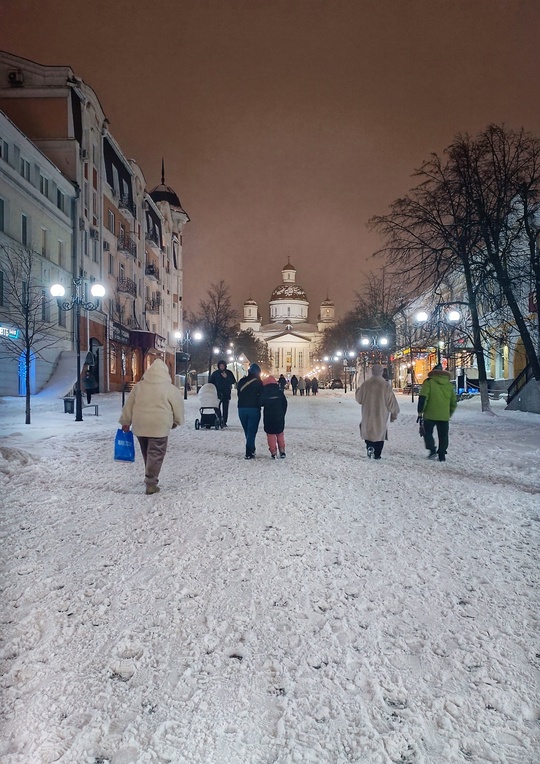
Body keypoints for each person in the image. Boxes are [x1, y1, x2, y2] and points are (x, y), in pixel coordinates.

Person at [119, 358, 184, 494]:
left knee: (147, 453)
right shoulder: (169, 388)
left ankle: (149, 476)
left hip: (140, 426)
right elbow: (178, 406)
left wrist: (125, 421)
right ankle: (151, 483)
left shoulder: (139, 386)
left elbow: (129, 405)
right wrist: (178, 420)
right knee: (156, 454)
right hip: (159, 426)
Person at [355, 363, 400, 460]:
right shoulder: (385, 385)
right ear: (382, 372)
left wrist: (358, 391)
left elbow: (359, 399)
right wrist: (394, 412)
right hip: (381, 414)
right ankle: (377, 454)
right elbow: (391, 401)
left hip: (368, 413)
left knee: (368, 430)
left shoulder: (366, 384)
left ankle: (369, 446)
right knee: (379, 433)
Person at [417, 363, 457, 462]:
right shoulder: (449, 385)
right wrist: (449, 413)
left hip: (429, 415)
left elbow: (423, 398)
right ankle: (442, 454)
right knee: (443, 435)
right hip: (444, 416)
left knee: (427, 433)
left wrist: (420, 412)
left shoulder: (429, 382)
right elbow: (453, 402)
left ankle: (432, 450)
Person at [237, 363, 263, 459]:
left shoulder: (242, 381)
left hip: (241, 408)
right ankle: (249, 451)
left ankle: (251, 447)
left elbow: (239, 393)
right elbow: (262, 396)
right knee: (251, 431)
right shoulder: (259, 383)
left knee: (246, 430)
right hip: (254, 408)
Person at [260, 375, 288, 458]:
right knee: (280, 433)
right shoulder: (279, 392)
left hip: (269, 417)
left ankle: (273, 452)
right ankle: (282, 451)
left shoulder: (264, 393)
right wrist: (282, 413)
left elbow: (260, 403)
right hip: (279, 416)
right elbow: (285, 404)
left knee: (270, 434)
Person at [209, 359, 236, 426]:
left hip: (226, 393)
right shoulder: (215, 373)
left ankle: (224, 421)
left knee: (225, 408)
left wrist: (226, 377)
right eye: (220, 366)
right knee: (216, 407)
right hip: (217, 393)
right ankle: (219, 418)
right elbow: (211, 382)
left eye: (223, 366)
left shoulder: (229, 373)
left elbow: (233, 381)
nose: (221, 367)